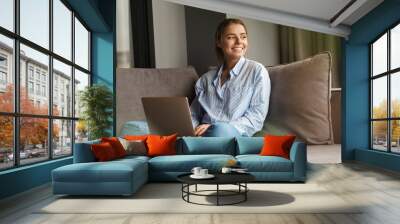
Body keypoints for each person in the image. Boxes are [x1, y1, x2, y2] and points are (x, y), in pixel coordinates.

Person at [190, 18, 271, 137]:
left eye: (243, 37)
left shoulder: (257, 71)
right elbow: (193, 114)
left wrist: (214, 128)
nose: (239, 42)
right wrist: (195, 129)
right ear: (219, 42)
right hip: (203, 135)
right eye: (231, 37)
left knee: (219, 131)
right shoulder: (205, 79)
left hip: (232, 135)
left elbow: (256, 117)